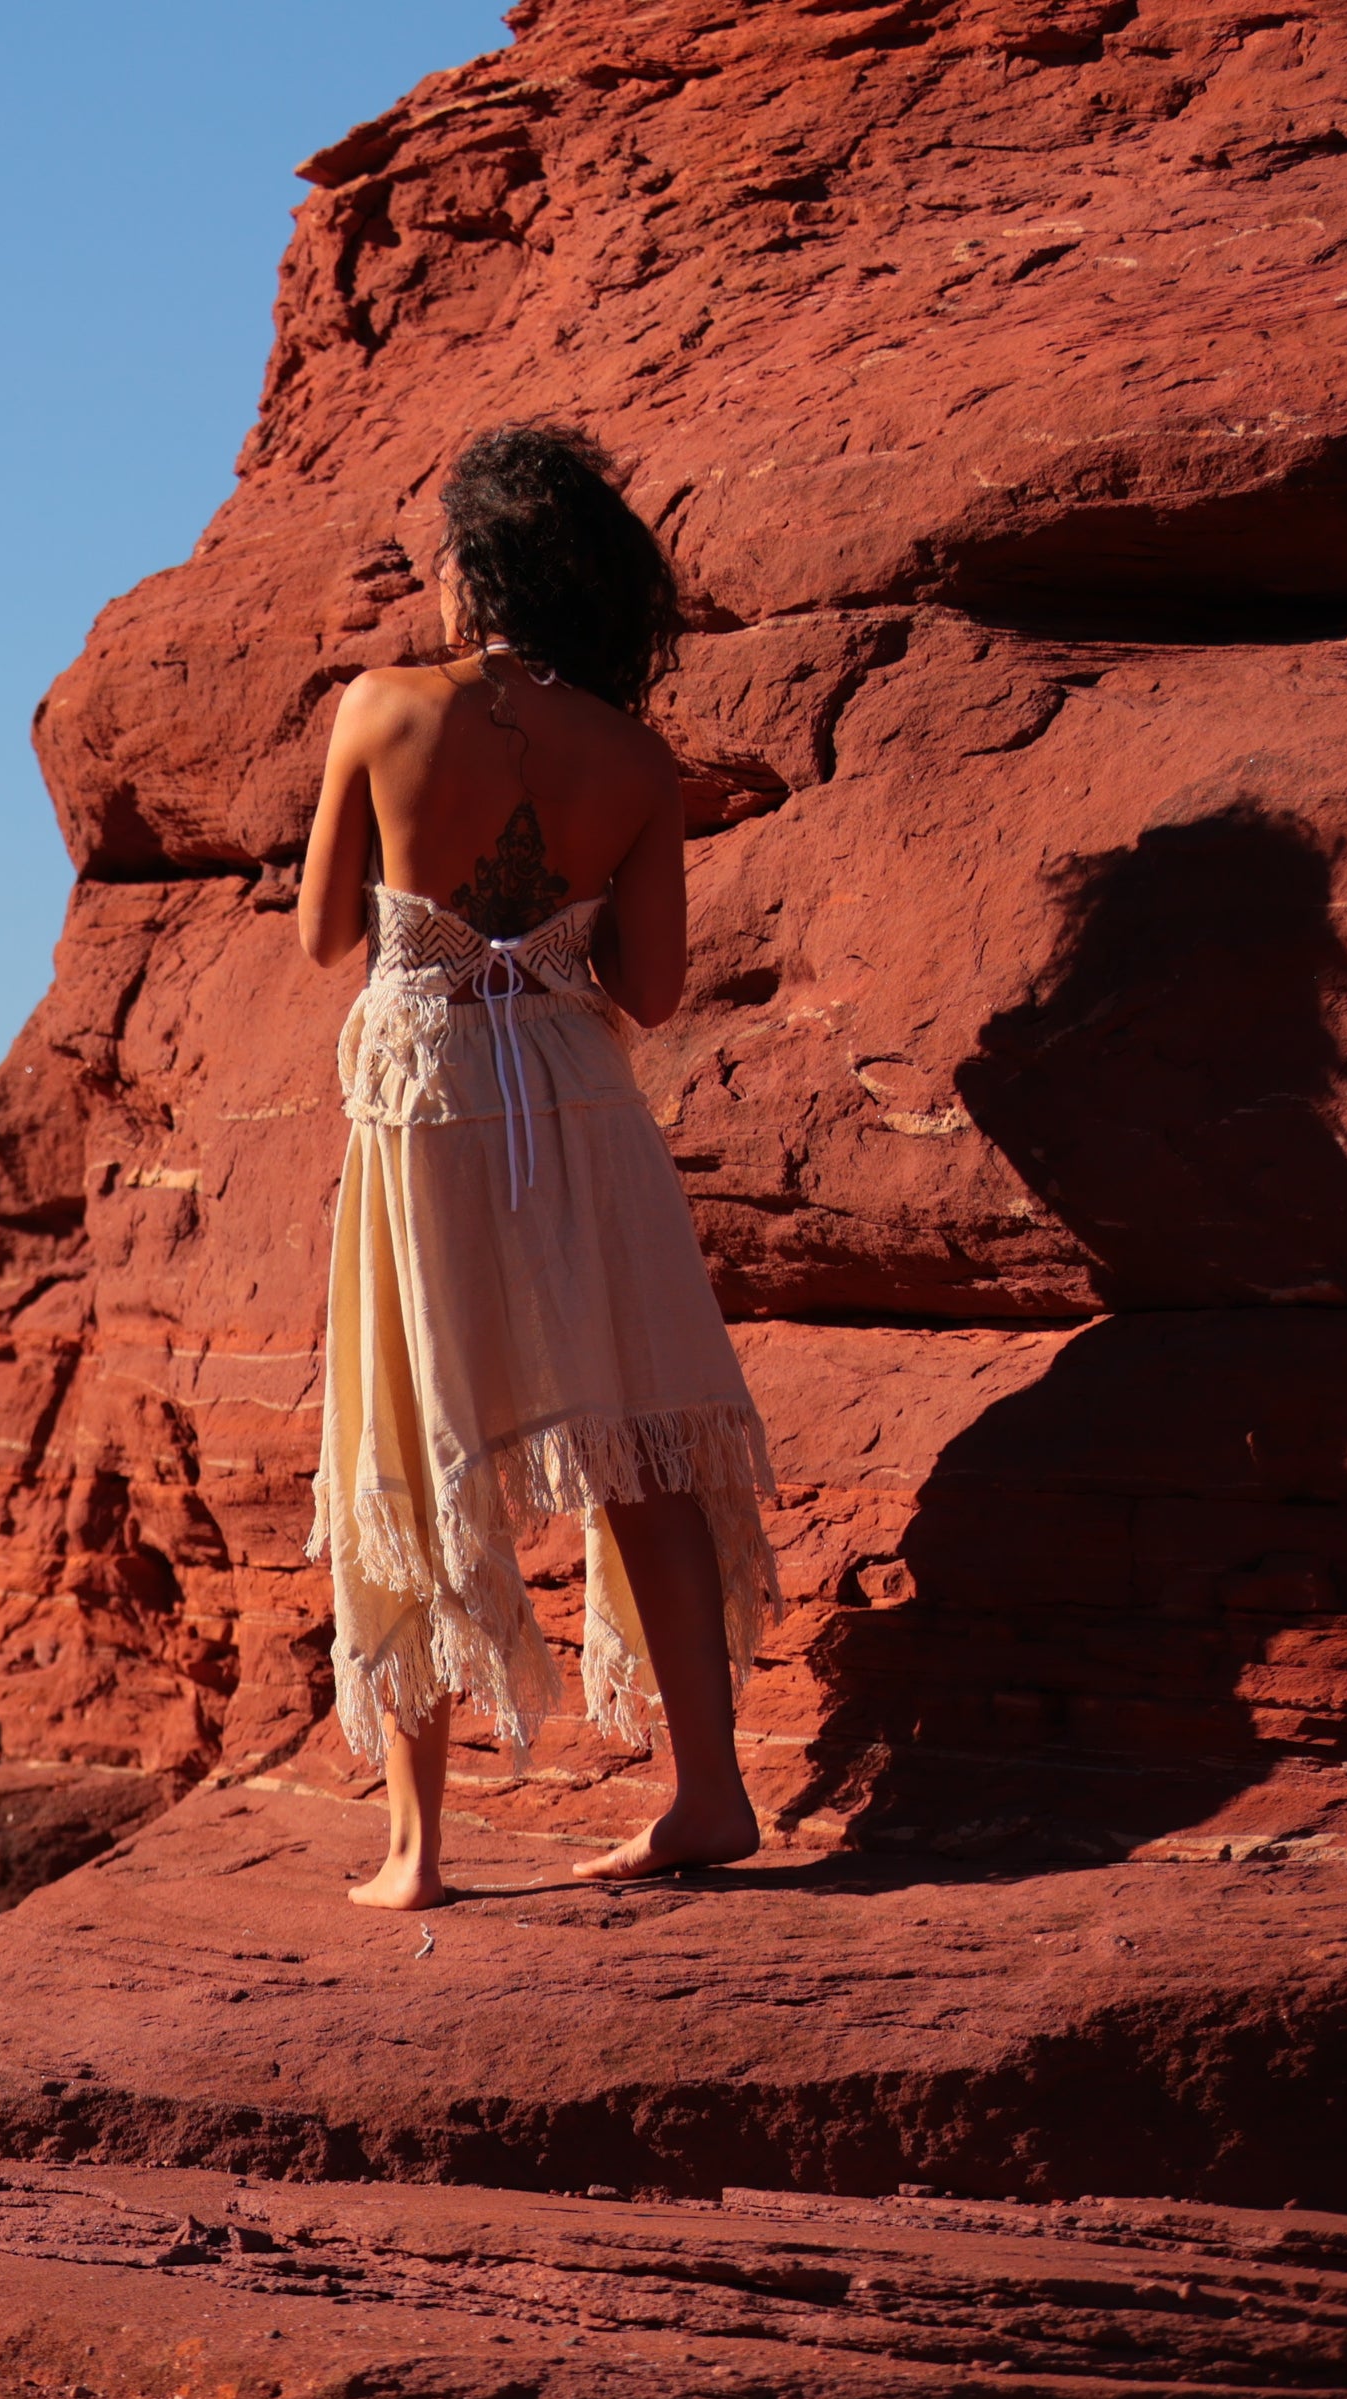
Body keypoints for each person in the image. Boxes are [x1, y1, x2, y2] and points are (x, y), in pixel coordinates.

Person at [293, 421, 778, 1911]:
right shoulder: (634, 757)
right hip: (576, 1102)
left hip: (428, 1104)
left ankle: (419, 1850)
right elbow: (653, 989)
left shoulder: (381, 707)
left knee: (420, 1438)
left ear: (474, 568)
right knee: (637, 1440)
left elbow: (324, 937)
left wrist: (434, 920)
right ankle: (709, 1792)